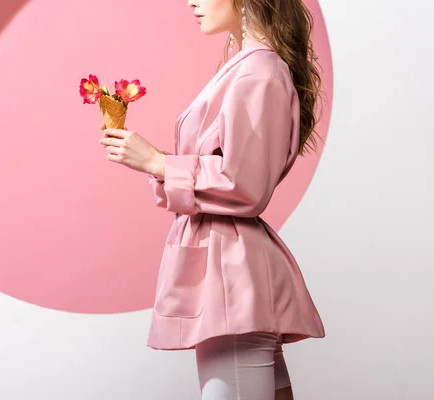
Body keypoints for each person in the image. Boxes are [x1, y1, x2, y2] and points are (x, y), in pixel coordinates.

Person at [98, 0, 325, 399]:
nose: (192, 1)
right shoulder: (247, 67)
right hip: (231, 274)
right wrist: (156, 166)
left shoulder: (258, 72)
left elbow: (247, 186)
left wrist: (159, 161)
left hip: (230, 278)